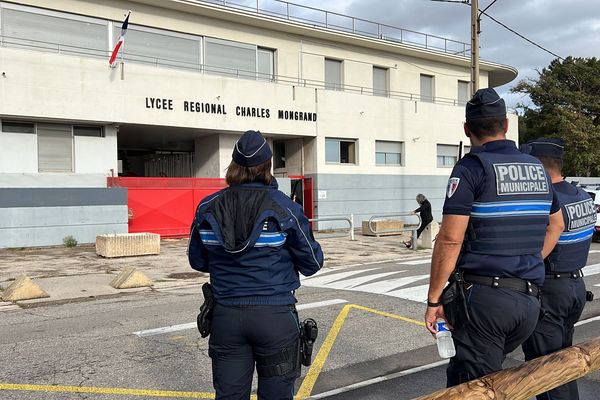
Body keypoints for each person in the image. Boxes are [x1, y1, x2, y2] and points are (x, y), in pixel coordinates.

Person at [424, 88, 564, 386]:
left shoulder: (471, 168)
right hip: (529, 301)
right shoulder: (537, 169)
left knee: (473, 388)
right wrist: (530, 259)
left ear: (466, 129)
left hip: (485, 303)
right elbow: (557, 225)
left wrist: (434, 299)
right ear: (506, 125)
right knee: (494, 382)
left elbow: (450, 239)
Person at [188, 130, 324, 400]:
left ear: (234, 166)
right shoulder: (285, 208)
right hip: (274, 318)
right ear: (268, 166)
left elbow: (198, 260)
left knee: (229, 396)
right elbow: (312, 263)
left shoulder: (207, 207)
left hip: (225, 317)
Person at [521, 138, 596, 400]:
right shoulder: (582, 195)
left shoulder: (548, 200)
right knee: (566, 364)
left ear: (538, 167)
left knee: (546, 371)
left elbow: (536, 246)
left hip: (551, 290)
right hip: (575, 286)